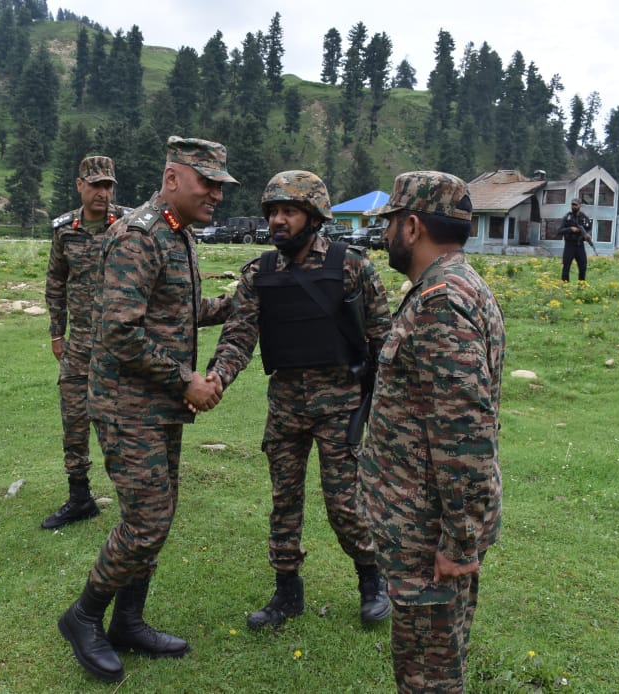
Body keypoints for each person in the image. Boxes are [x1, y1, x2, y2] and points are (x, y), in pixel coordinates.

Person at [57, 136, 237, 683]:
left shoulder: (177, 234)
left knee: (157, 517)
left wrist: (239, 304)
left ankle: (128, 621)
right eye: (207, 182)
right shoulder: (139, 236)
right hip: (126, 405)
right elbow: (119, 333)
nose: (216, 194)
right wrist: (187, 380)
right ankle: (83, 616)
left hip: (157, 406)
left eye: (221, 185)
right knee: (148, 518)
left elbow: (179, 310)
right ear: (173, 177)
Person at [206, 170, 393, 630]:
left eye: (288, 211)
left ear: (314, 217)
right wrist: (216, 379)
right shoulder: (260, 274)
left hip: (341, 408)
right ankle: (286, 591)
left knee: (345, 504)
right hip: (286, 407)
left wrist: (385, 404)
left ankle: (372, 580)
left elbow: (383, 339)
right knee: (284, 502)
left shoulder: (352, 266)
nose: (277, 220)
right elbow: (239, 336)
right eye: (272, 212)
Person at [358, 171, 504, 693]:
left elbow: (464, 437)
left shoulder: (442, 302)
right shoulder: (451, 286)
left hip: (429, 532)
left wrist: (458, 542)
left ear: (413, 226)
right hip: (426, 523)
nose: (385, 234)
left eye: (390, 223)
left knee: (430, 673)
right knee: (429, 660)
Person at [42, 155, 129, 530]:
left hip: (120, 345)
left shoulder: (128, 226)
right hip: (78, 344)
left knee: (119, 425)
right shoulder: (65, 230)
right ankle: (80, 497)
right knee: (74, 421)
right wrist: (56, 333)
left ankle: (135, 499)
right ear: (80, 186)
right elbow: (55, 282)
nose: (102, 193)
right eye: (95, 185)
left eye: (108, 185)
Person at [558, 197, 593, 282]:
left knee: (583, 266)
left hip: (579, 245)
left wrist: (587, 235)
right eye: (572, 205)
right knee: (566, 267)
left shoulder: (584, 218)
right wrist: (570, 229)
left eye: (575, 205)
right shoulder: (567, 217)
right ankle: (565, 285)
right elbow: (559, 231)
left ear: (580, 206)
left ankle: (581, 286)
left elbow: (589, 229)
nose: (573, 206)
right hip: (569, 246)